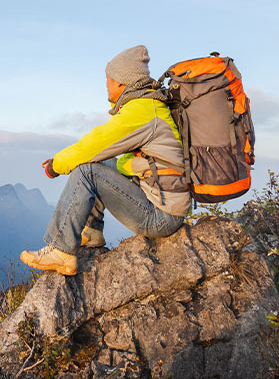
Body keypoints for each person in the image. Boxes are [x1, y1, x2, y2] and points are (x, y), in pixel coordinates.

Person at [20, 45, 191, 275]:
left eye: (108, 79)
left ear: (122, 82)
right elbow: (100, 152)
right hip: (161, 203)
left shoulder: (141, 111)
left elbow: (94, 144)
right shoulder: (147, 106)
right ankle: (91, 232)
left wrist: (56, 165)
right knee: (96, 164)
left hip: (162, 216)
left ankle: (60, 251)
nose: (106, 85)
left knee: (86, 171)